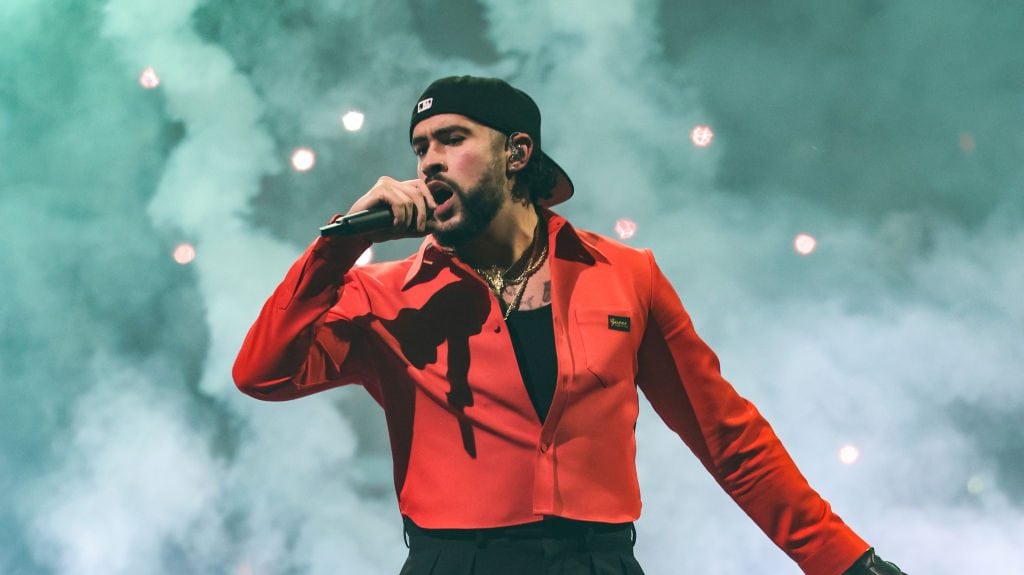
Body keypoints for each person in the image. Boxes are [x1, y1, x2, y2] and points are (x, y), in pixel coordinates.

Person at [233, 75, 906, 574]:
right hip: (453, 563)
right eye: (419, 147)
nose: (429, 160)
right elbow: (261, 373)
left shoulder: (626, 275)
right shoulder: (379, 291)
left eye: (453, 138)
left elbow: (728, 438)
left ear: (517, 152)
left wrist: (845, 561)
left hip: (597, 562)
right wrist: (335, 246)